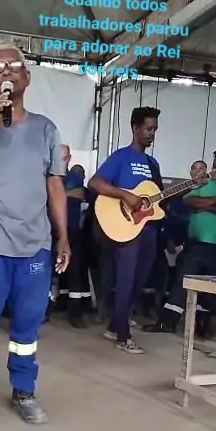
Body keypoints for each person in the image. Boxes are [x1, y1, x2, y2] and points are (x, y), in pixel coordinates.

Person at [0, 45, 70, 427]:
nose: (6, 71)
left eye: (15, 65)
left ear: (27, 77)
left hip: (34, 245)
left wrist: (63, 237)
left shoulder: (45, 129)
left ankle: (24, 390)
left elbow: (55, 185)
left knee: (27, 326)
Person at [147, 145, 216, 339]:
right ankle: (167, 322)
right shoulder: (205, 181)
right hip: (195, 244)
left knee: (212, 288)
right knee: (182, 282)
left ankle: (201, 325)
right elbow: (189, 200)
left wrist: (205, 206)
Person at [89, 106, 162, 354]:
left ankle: (115, 324)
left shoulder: (153, 164)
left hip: (147, 228)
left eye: (154, 129)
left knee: (139, 281)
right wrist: (125, 195)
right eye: (148, 128)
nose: (151, 133)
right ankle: (123, 335)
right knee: (126, 280)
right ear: (135, 128)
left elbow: (157, 198)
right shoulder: (121, 157)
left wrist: (191, 186)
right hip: (125, 227)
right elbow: (95, 182)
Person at [58, 164, 88, 328]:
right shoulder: (50, 177)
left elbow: (80, 193)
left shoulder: (73, 180)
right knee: (54, 270)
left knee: (74, 271)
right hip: (53, 230)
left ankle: (74, 312)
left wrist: (57, 195)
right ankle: (59, 305)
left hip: (72, 231)